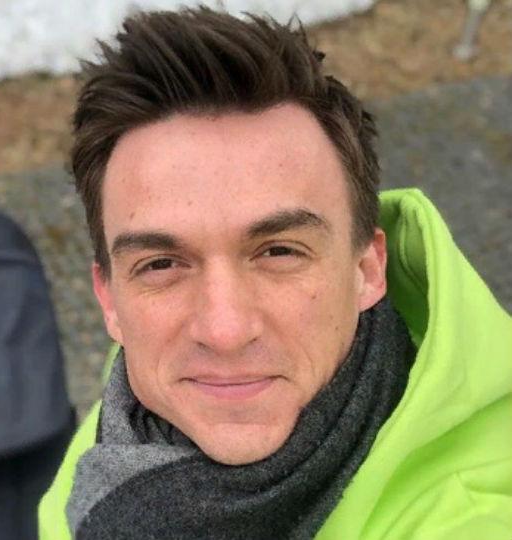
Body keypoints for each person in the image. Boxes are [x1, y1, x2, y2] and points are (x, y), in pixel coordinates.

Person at [38, 7, 512, 539]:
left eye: (279, 252)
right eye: (161, 264)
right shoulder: (128, 420)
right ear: (110, 301)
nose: (225, 331)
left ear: (367, 269)